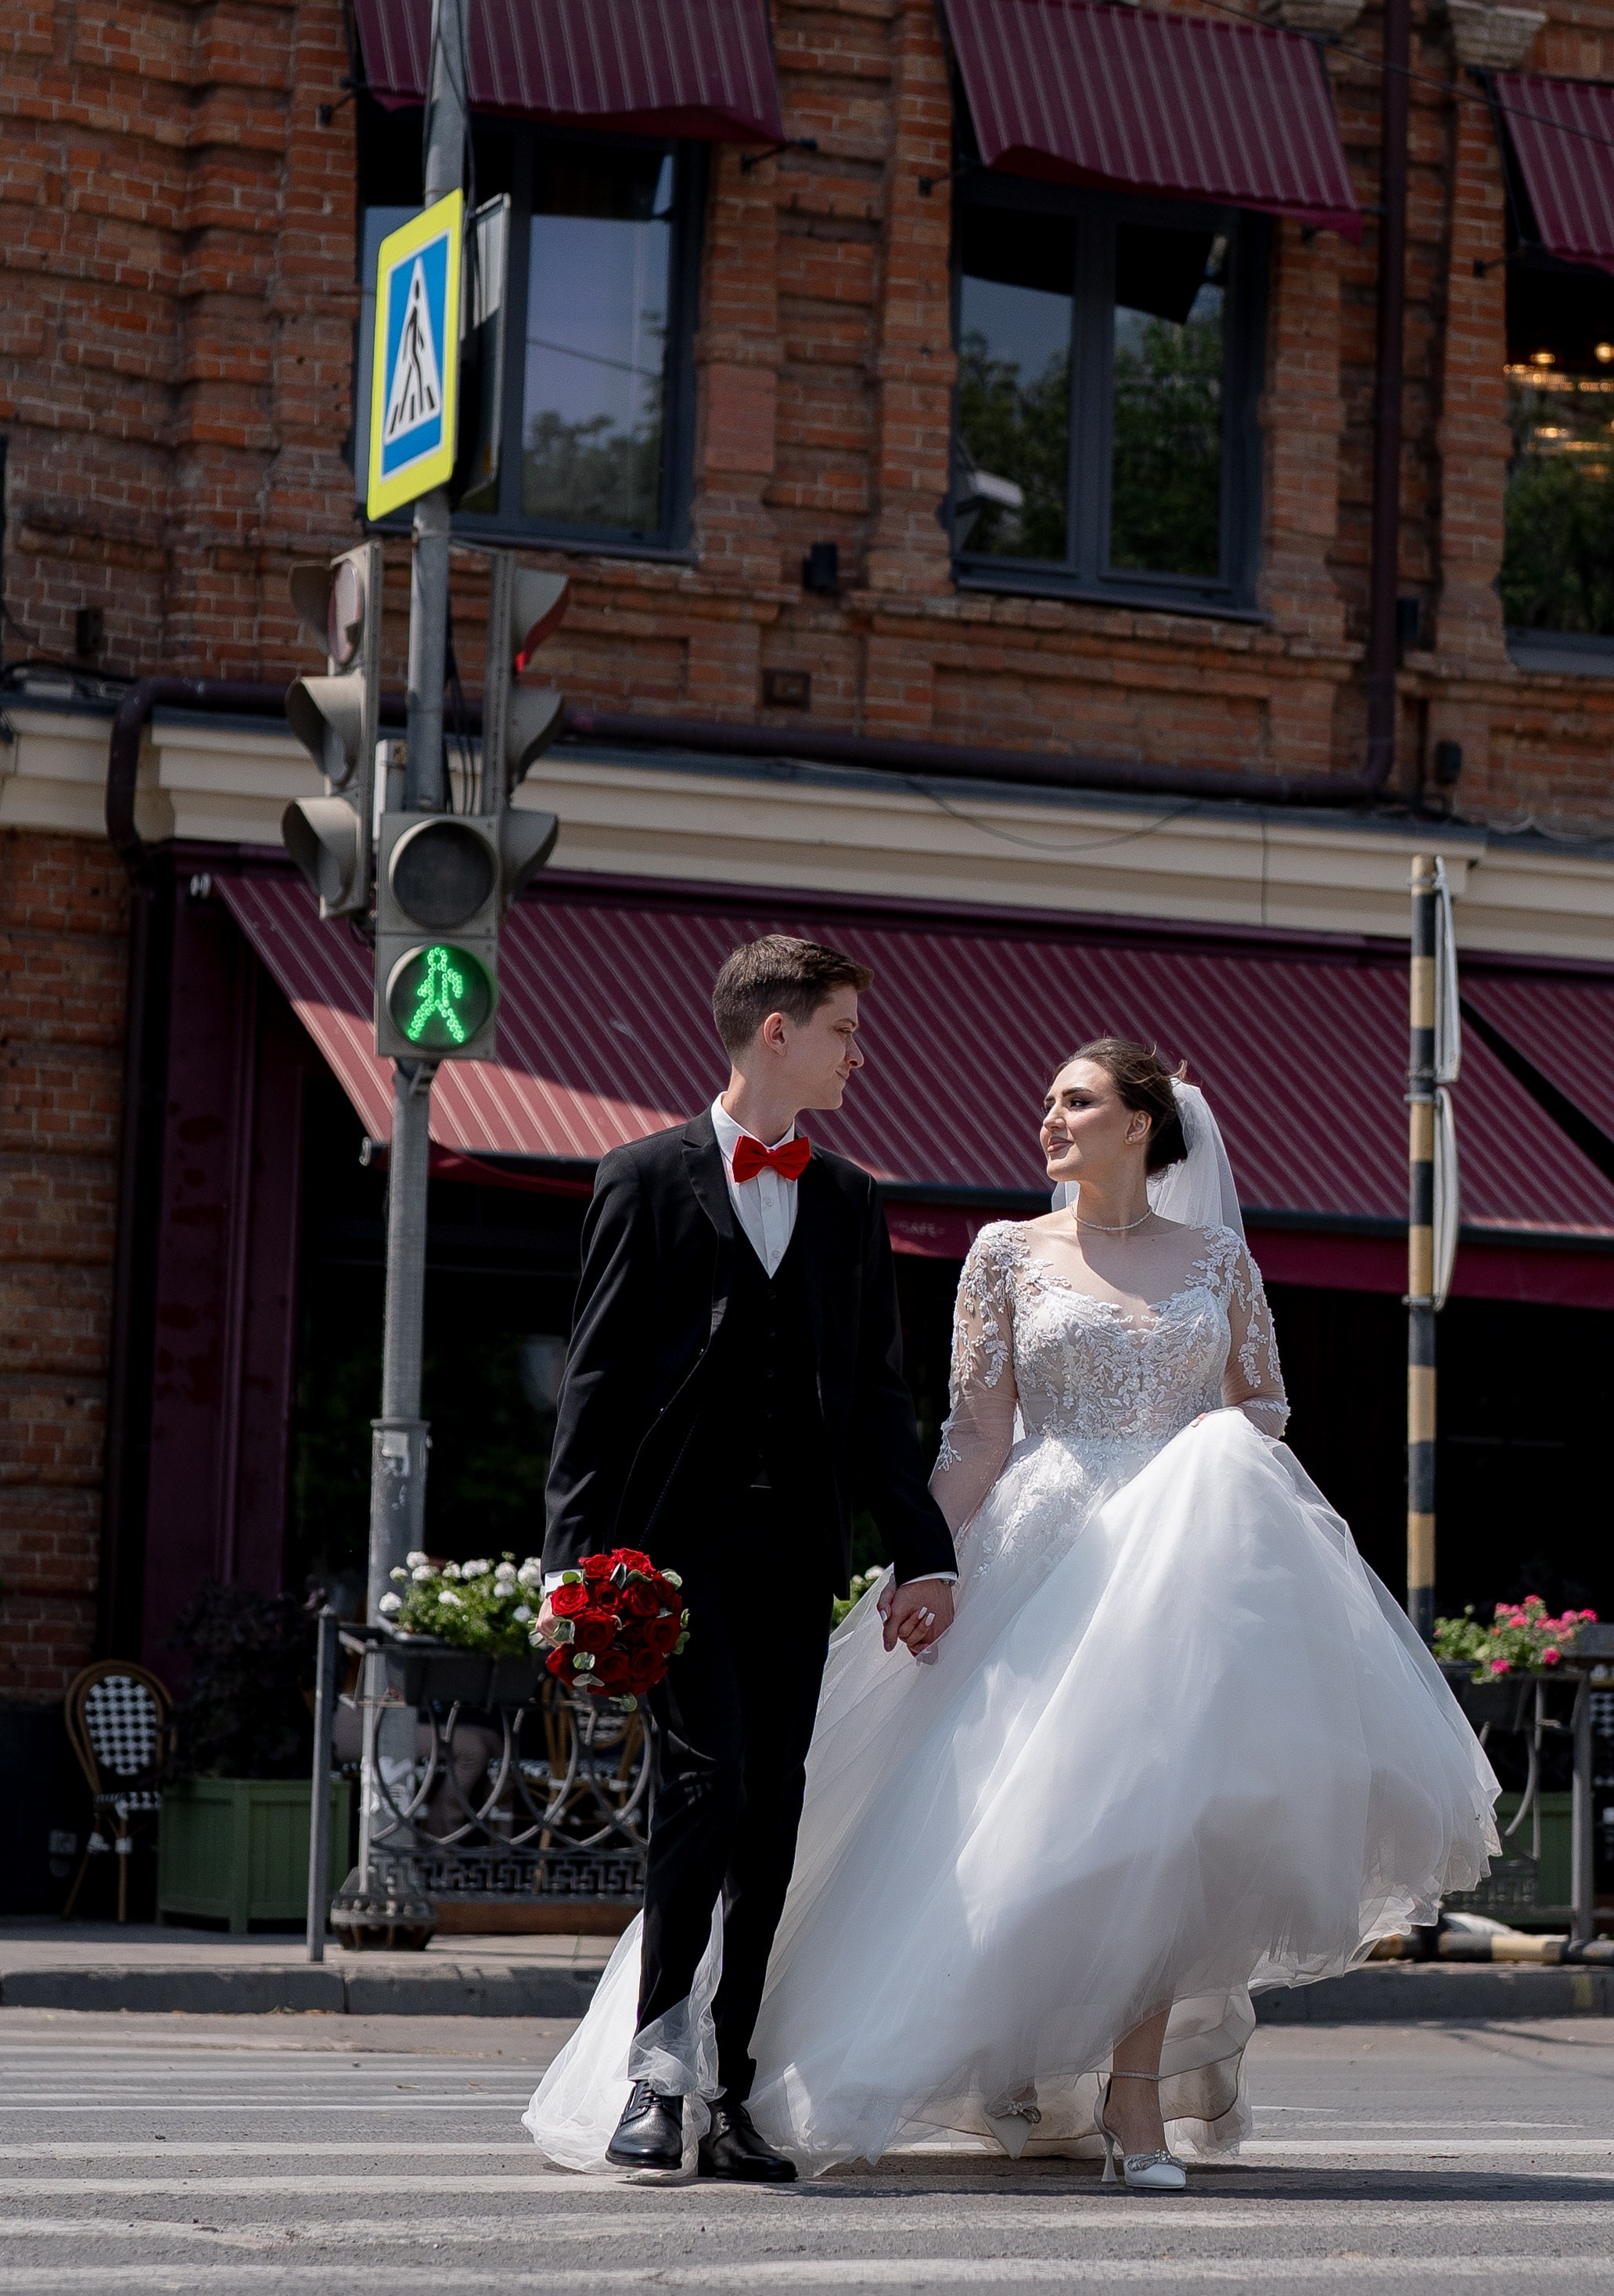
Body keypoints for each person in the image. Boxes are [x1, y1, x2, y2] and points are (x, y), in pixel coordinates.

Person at [526, 1040, 1498, 2188]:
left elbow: (1261, 1407)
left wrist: (1203, 1469)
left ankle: (1134, 2098)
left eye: (1076, 1099)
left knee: (1169, 1822)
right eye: (1046, 1097)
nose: (1048, 1115)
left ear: (1141, 1122)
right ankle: (996, 2064)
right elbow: (972, 1433)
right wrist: (920, 1558)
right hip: (1040, 1548)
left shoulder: (1219, 1257)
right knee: (1009, 1818)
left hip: (1182, 1566)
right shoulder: (1003, 1253)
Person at [533, 935, 960, 2184]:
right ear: (775, 1030)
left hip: (795, 1555)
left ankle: (732, 2086)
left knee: (769, 1805)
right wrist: (572, 1568)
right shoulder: (642, 1179)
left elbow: (881, 1402)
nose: (857, 1053)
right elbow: (595, 1393)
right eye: (841, 1029)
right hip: (668, 1556)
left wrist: (920, 1556)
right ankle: (654, 2080)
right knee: (706, 1782)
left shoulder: (848, 1199)